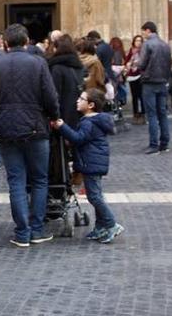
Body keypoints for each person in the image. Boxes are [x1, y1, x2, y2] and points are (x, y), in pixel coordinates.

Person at [0, 24, 60, 247]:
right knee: (39, 180)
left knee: (16, 181)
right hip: (36, 127)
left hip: (7, 129)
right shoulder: (38, 63)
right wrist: (54, 115)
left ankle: (22, 232)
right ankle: (36, 230)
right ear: (27, 41)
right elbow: (50, 96)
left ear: (5, 43)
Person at [53, 88, 124, 243]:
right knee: (96, 194)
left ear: (91, 105)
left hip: (91, 162)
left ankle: (111, 224)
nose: (77, 101)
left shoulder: (88, 123)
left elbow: (78, 139)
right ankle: (100, 227)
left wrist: (62, 127)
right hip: (94, 162)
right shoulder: (95, 120)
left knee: (94, 197)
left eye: (81, 99)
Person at [137, 21, 172, 155]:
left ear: (148, 30)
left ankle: (153, 145)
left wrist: (136, 64)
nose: (143, 35)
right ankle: (164, 143)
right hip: (162, 82)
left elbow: (142, 64)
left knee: (152, 115)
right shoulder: (165, 45)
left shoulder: (147, 44)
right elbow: (169, 64)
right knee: (162, 114)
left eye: (143, 32)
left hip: (150, 82)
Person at [125, 35, 145, 125]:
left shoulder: (144, 51)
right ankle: (135, 114)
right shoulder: (131, 50)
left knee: (141, 96)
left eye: (140, 41)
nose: (138, 42)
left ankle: (143, 115)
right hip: (132, 76)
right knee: (134, 96)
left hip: (141, 75)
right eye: (137, 40)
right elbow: (126, 61)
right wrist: (129, 63)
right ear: (134, 42)